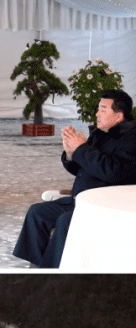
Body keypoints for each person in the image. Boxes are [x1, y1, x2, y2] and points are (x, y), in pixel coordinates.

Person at [13, 90, 136, 268]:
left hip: (104, 208)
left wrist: (82, 148)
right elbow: (80, 168)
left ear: (118, 115)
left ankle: (52, 273)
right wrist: (71, 153)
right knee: (37, 212)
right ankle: (37, 267)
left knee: (65, 221)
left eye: (103, 109)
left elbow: (113, 171)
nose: (97, 113)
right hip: (79, 200)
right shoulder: (101, 132)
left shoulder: (131, 138)